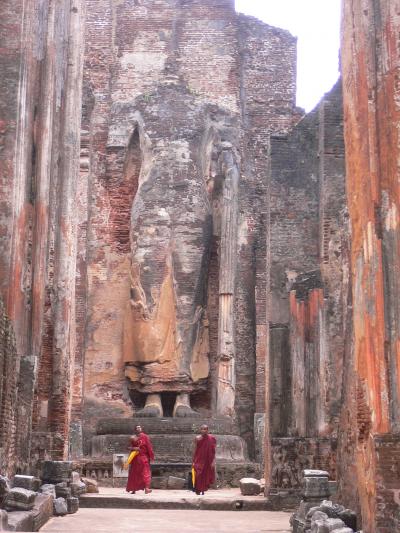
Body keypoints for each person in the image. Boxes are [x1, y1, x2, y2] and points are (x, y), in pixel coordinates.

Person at [126, 424, 154, 494]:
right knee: (134, 473)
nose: (139, 429)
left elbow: (149, 447)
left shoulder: (145, 437)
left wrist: (151, 456)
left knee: (145, 473)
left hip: (143, 457)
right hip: (135, 458)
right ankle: (133, 489)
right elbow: (128, 447)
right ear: (135, 430)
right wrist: (134, 448)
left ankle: (146, 489)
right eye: (137, 428)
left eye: (140, 427)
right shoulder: (132, 438)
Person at [192, 424, 216, 495]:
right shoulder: (197, 438)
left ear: (208, 430)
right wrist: (193, 461)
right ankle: (198, 489)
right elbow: (194, 449)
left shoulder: (212, 439)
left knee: (205, 475)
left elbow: (214, 451)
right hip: (199, 459)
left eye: (205, 429)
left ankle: (203, 490)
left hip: (207, 460)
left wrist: (213, 461)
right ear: (200, 430)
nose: (204, 430)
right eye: (202, 429)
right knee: (198, 474)